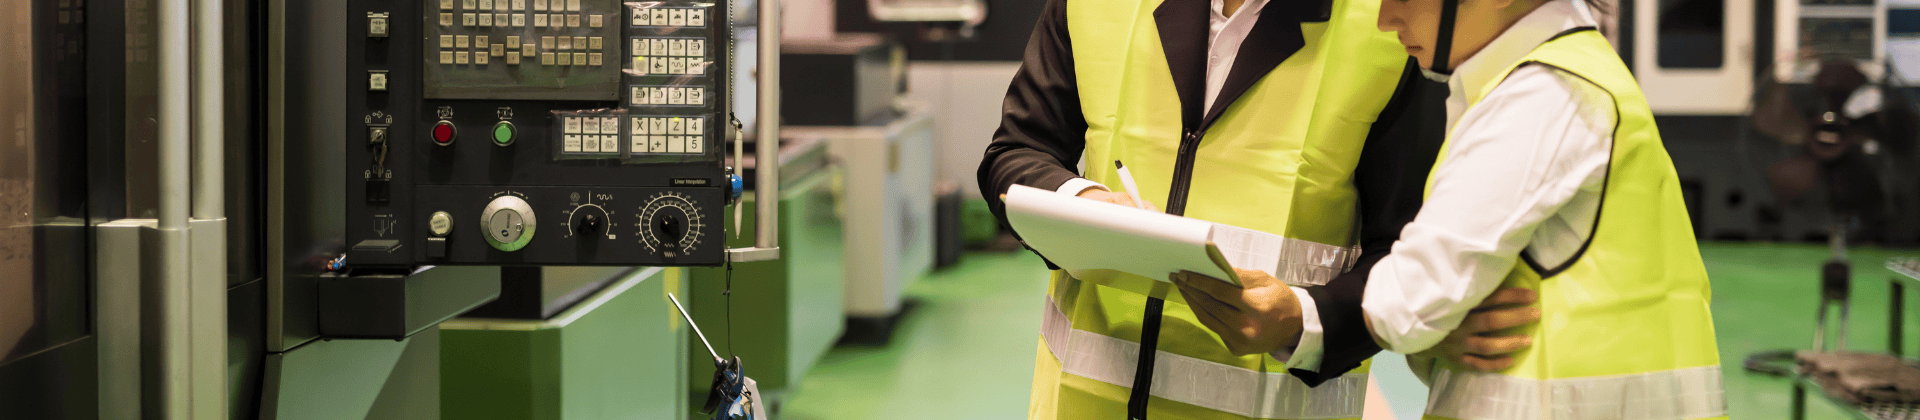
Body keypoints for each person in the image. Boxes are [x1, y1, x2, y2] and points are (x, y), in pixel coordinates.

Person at [978, 0, 1541, 418]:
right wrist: (1085, 202)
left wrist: (1306, 321)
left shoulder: (1392, 28)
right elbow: (1017, 152)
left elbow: (1404, 250)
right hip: (1084, 403)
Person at [1172, 0, 1728, 418]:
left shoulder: (1543, 94)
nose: (1386, 19)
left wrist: (1300, 315)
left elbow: (1410, 301)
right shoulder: (1559, 77)